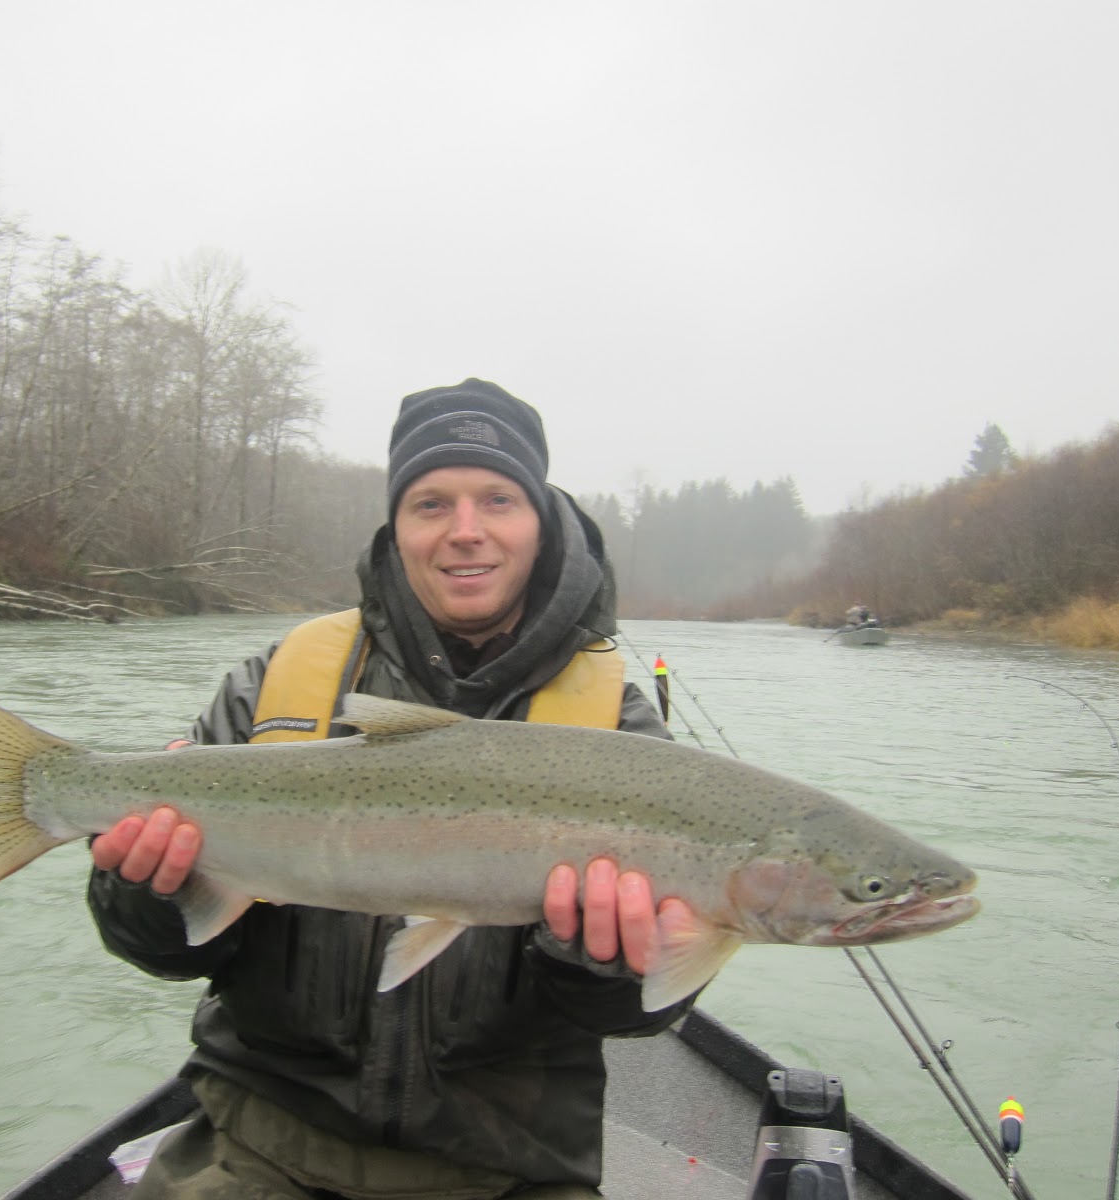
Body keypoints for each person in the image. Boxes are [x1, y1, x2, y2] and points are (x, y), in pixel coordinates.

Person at [87, 379, 698, 1200]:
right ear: (397, 528)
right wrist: (147, 893)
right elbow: (162, 948)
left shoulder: (618, 725)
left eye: (498, 499)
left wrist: (598, 961)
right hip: (256, 1143)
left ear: (542, 518)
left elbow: (639, 1013)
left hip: (508, 1170)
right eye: (431, 503)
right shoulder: (276, 685)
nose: (466, 532)